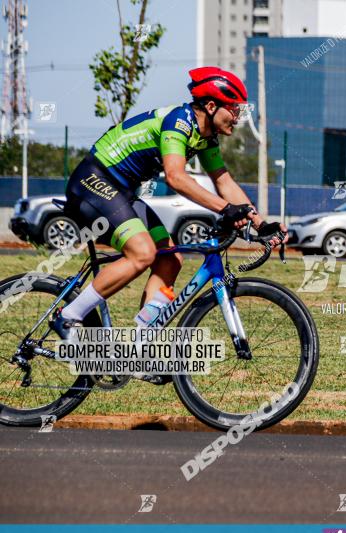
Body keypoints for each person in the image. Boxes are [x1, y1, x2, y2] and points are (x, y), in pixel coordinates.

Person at [52, 67, 286, 337]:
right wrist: (226, 209)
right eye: (234, 109)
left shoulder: (205, 138)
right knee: (143, 252)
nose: (237, 117)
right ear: (211, 106)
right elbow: (176, 177)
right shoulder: (179, 122)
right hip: (94, 180)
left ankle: (142, 345)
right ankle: (68, 316)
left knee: (170, 260)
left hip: (123, 192)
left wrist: (259, 223)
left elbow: (224, 181)